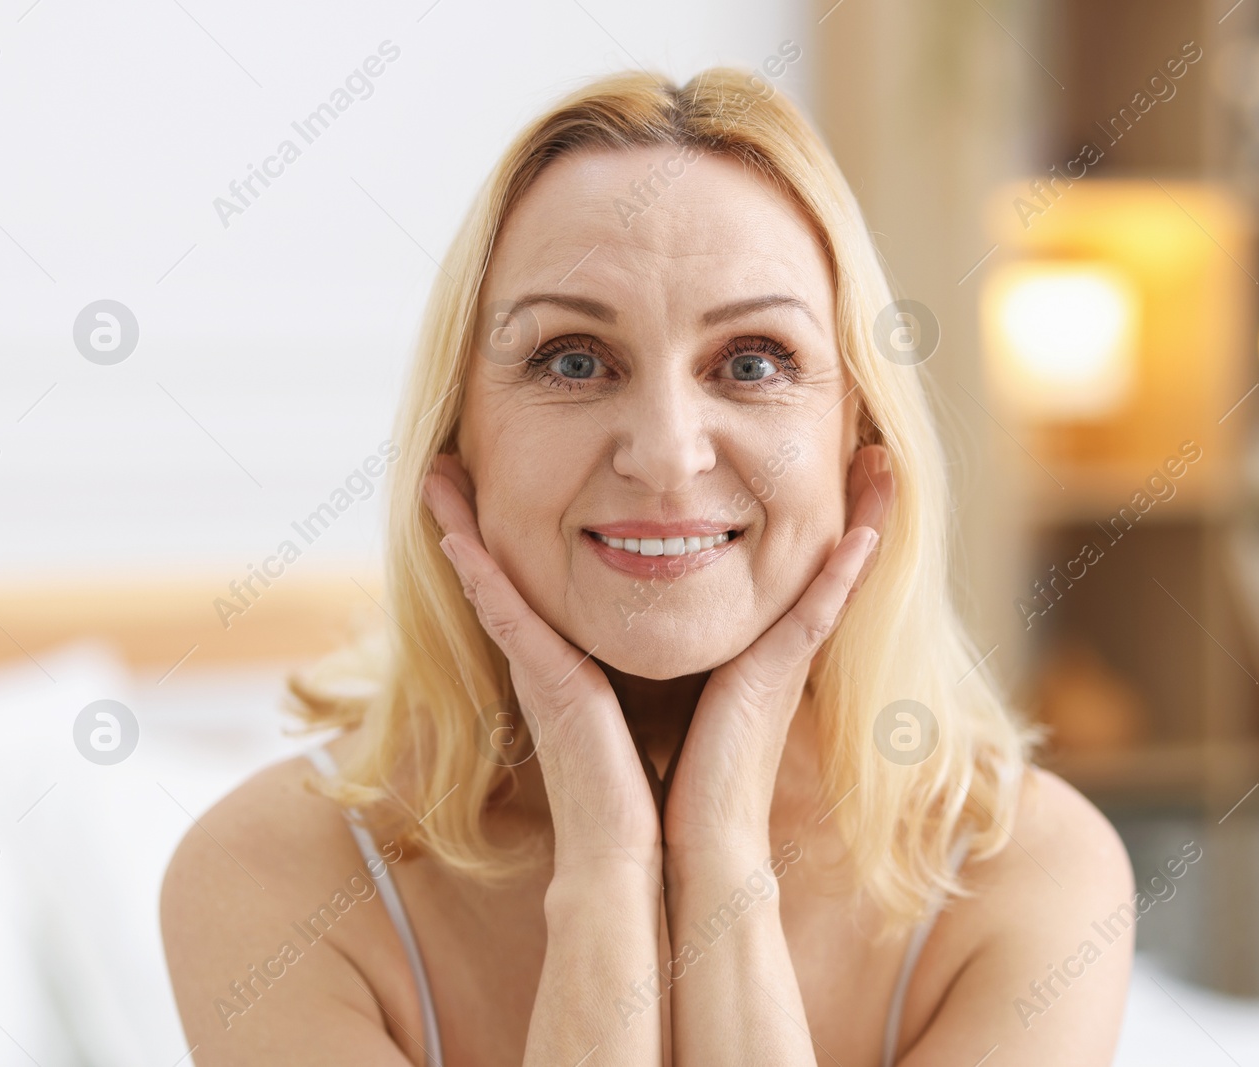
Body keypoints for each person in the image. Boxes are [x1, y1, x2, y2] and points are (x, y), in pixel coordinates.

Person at [161, 67, 1135, 1066]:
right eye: (573, 360)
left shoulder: (1028, 874)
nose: (668, 453)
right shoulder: (271, 879)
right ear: (460, 441)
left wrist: (721, 863)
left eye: (751, 361)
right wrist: (604, 875)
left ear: (858, 438)